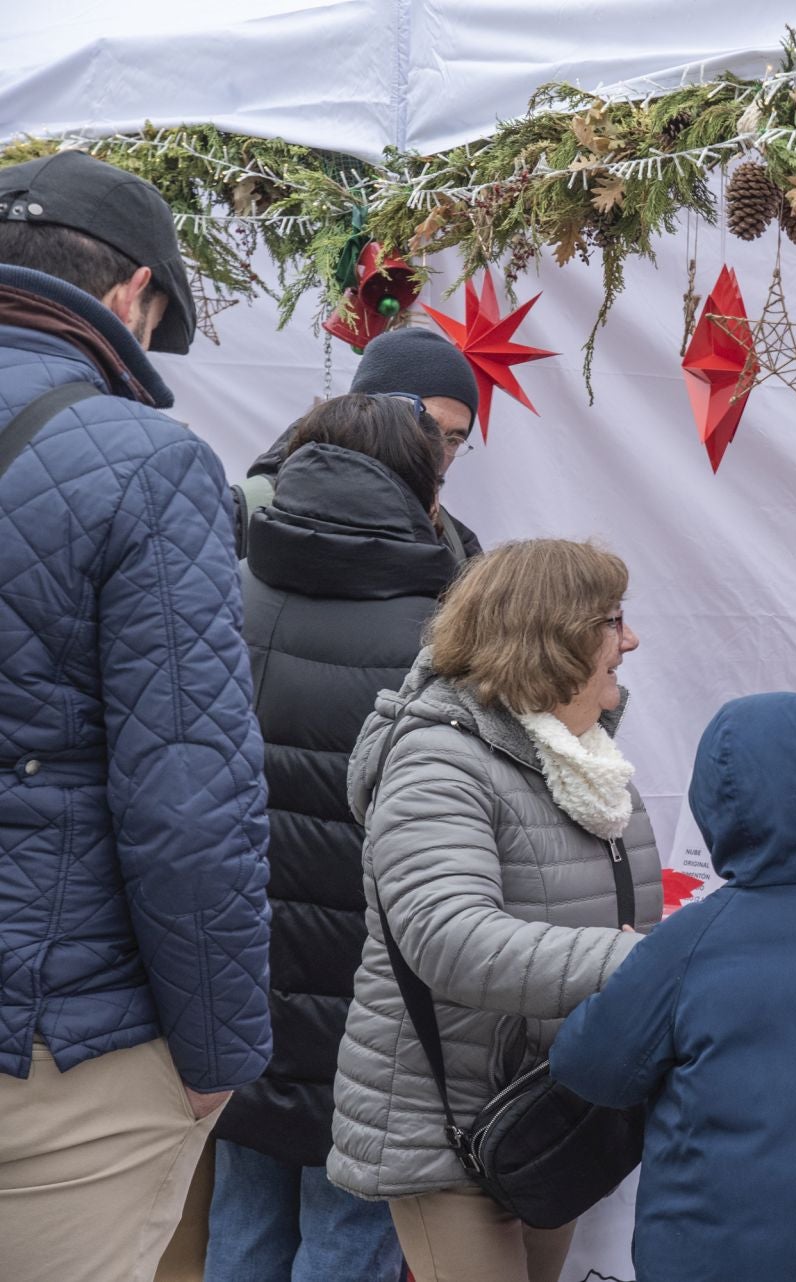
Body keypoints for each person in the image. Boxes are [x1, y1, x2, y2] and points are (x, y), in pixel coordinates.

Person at [0, 151, 272, 1276]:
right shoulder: (147, 464)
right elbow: (189, 803)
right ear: (134, 294)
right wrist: (218, 1056)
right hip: (54, 1041)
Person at [328, 538, 663, 1282]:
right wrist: (644, 963)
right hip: (446, 1128)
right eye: (613, 621)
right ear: (553, 636)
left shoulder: (585, 764)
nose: (631, 640)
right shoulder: (438, 758)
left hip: (547, 1114)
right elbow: (449, 939)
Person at [550, 692, 796, 1282]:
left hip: (693, 1259)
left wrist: (624, 975)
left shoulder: (684, 944)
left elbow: (590, 1066)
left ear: (711, 805)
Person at [206, 394, 460, 1282]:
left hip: (230, 982)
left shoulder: (219, 591)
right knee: (348, 1236)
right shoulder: (440, 638)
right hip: (375, 1008)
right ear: (419, 489)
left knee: (241, 1222)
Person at [232, 325, 484, 562]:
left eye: (454, 440)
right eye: (427, 425)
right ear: (370, 411)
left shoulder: (459, 549)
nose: (439, 451)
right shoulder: (245, 513)